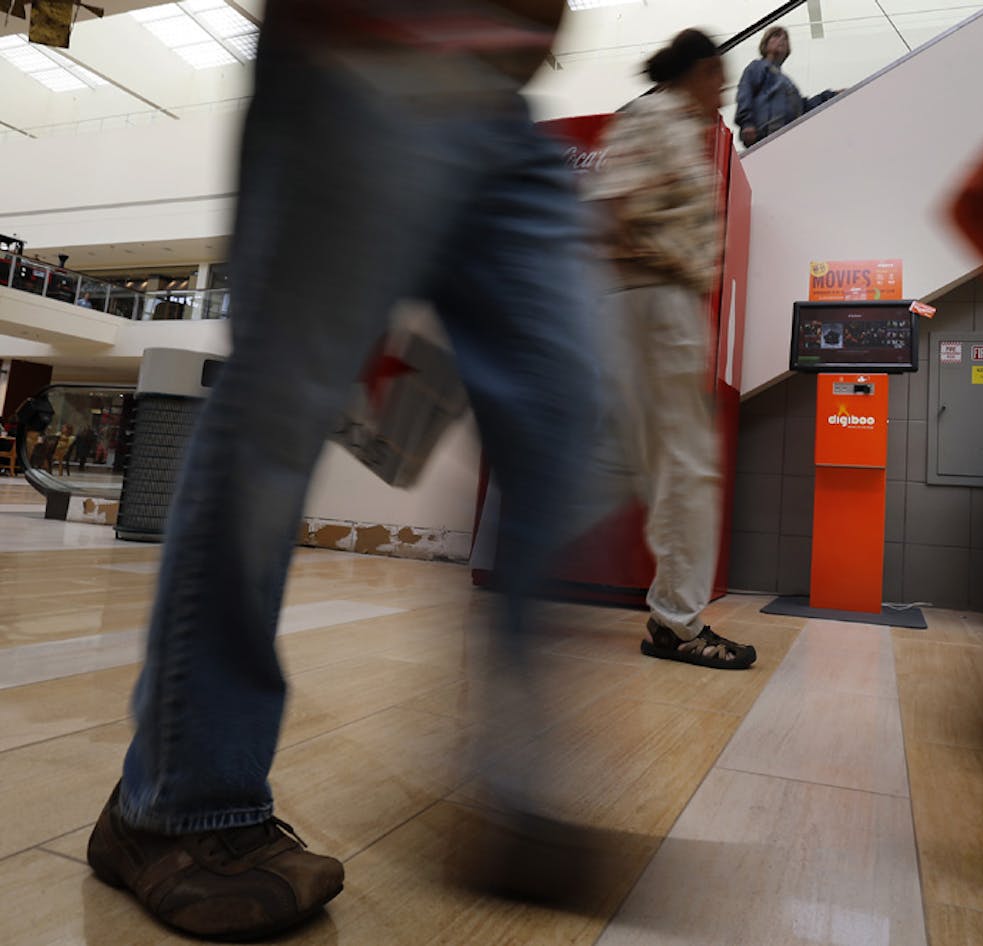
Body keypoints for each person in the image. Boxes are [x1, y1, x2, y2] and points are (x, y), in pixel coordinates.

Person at [83, 1, 604, 940]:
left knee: (565, 407)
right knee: (276, 410)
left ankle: (515, 787)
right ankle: (173, 804)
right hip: (364, 46)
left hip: (502, 98)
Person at [582, 29, 757, 671]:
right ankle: (677, 625)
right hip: (657, 298)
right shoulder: (658, 116)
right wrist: (653, 266)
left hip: (647, 300)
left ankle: (672, 617)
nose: (725, 96)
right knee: (686, 468)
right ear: (704, 69)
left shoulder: (662, 120)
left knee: (661, 465)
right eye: (722, 81)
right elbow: (611, 211)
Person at [734, 25, 838, 148]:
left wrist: (830, 95)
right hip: (764, 138)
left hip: (786, 139)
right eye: (777, 36)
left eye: (785, 38)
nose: (782, 40)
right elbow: (745, 93)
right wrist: (747, 123)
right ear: (766, 43)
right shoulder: (758, 67)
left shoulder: (787, 83)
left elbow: (803, 107)